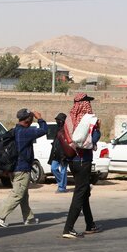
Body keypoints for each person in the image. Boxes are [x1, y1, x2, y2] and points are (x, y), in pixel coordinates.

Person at [0, 108, 47, 228]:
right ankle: (0, 215)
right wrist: (40, 118)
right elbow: (44, 130)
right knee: (17, 194)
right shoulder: (25, 132)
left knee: (23, 194)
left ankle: (29, 218)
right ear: (28, 120)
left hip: (15, 167)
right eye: (31, 118)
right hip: (21, 169)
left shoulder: (16, 130)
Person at [62, 93, 103, 239]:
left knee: (84, 192)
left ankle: (90, 224)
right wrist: (97, 129)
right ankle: (68, 228)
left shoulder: (69, 119)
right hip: (83, 160)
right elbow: (92, 140)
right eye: (88, 102)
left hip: (73, 161)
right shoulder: (88, 120)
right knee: (80, 193)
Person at [49, 113, 69, 193]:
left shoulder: (67, 130)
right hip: (56, 153)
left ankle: (62, 188)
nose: (58, 122)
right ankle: (62, 183)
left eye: (59, 120)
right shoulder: (58, 129)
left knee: (63, 170)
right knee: (53, 168)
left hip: (64, 153)